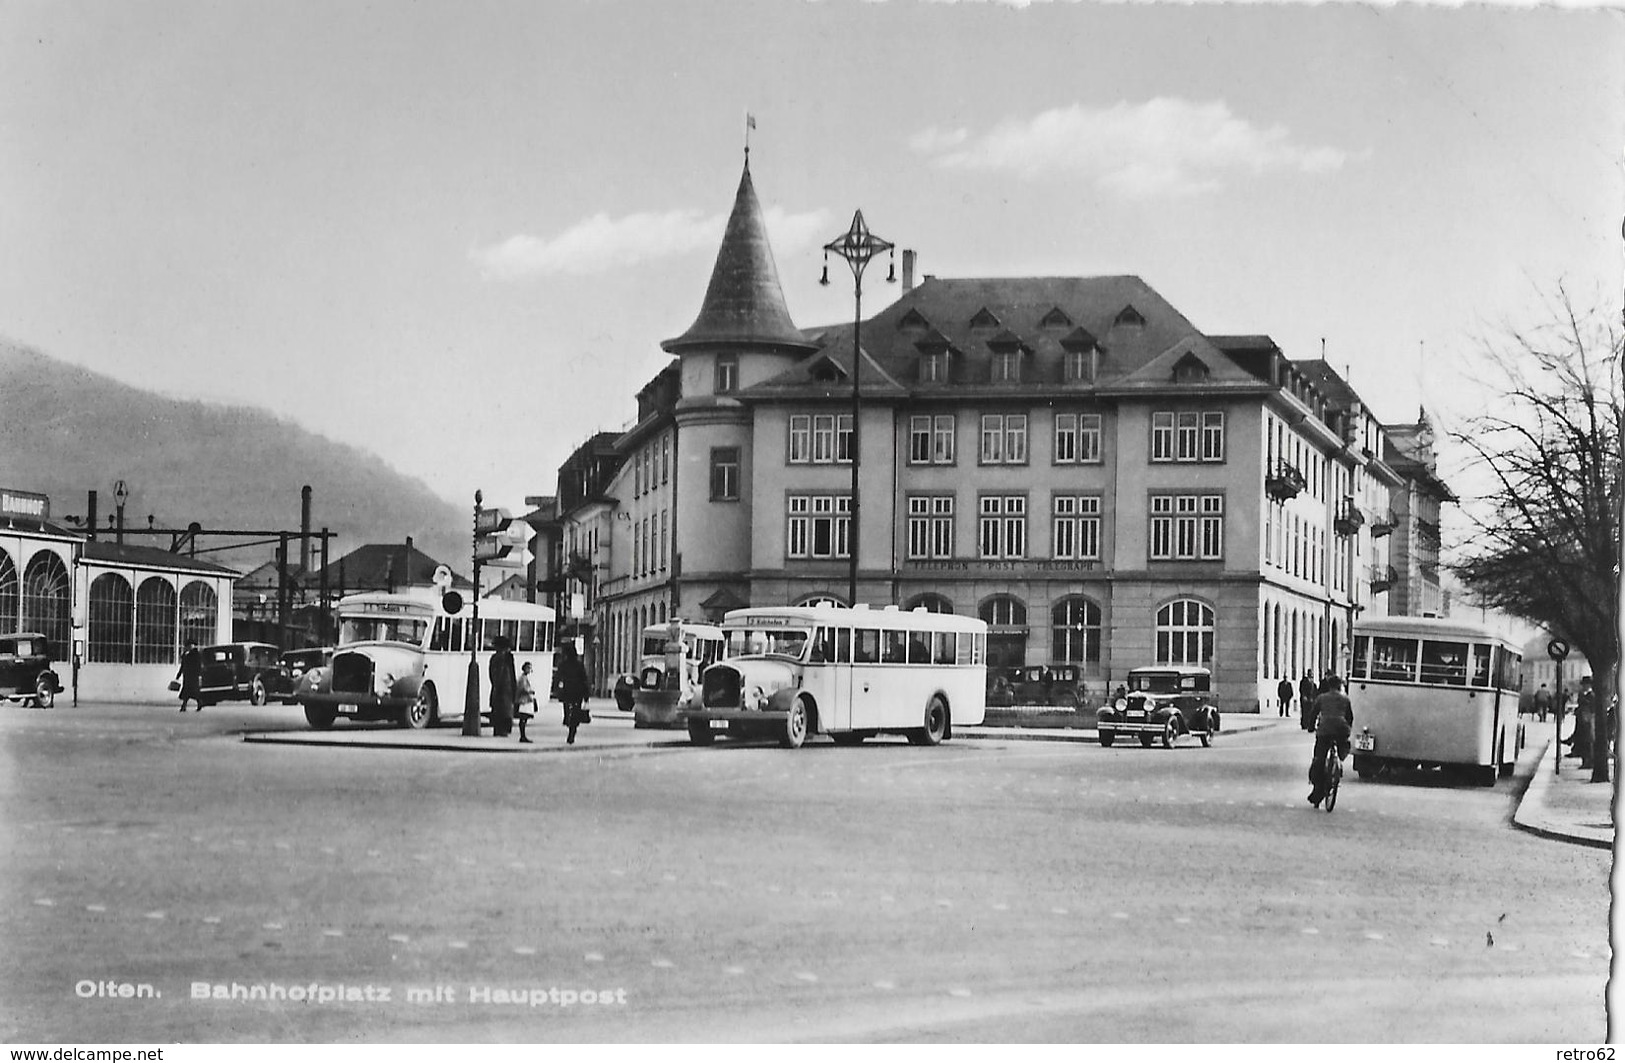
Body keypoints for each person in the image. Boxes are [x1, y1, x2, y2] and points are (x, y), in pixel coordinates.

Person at [1306, 675, 1354, 807]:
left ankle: (1317, 786)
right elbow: (1350, 717)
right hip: (1341, 729)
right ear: (1340, 686)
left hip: (1325, 730)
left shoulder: (1321, 698)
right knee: (1343, 744)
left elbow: (1313, 713)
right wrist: (1348, 729)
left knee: (1319, 758)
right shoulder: (1345, 699)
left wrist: (1311, 727)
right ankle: (1339, 761)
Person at [553, 642, 590, 745]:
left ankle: (568, 721)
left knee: (567, 708)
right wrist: (586, 695)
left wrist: (556, 689)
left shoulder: (563, 665)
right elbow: (584, 679)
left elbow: (558, 677)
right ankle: (572, 732)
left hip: (567, 691)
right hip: (578, 692)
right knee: (576, 711)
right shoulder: (579, 665)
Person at [487, 635, 517, 738]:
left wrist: (495, 685)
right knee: (505, 710)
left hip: (501, 689)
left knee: (500, 710)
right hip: (505, 689)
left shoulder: (497, 658)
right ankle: (503, 730)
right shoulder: (507, 658)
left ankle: (499, 729)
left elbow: (493, 674)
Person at [175, 639, 202, 712]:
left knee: (191, 692)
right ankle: (185, 706)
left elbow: (198, 666)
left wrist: (198, 675)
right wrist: (179, 674)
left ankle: (188, 705)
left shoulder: (196, 654)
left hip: (193, 676)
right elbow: (183, 666)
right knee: (188, 692)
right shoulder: (186, 655)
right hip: (187, 676)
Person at [515, 661, 537, 744]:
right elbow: (523, 688)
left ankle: (523, 735)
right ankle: (522, 736)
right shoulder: (523, 678)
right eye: (528, 668)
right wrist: (530, 691)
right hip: (524, 701)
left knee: (524, 718)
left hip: (525, 700)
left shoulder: (524, 677)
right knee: (523, 718)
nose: (530, 670)